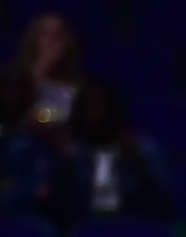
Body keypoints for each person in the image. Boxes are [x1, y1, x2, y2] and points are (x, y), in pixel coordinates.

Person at [53, 81, 172, 224]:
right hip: (86, 227)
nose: (93, 112)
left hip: (135, 224)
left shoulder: (142, 148)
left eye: (99, 104)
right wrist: (66, 167)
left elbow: (166, 202)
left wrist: (139, 163)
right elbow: (60, 211)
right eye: (87, 106)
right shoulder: (71, 152)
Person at [10, 12, 79, 132]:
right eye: (45, 34)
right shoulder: (12, 80)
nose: (51, 41)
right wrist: (41, 67)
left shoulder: (77, 87)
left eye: (58, 35)